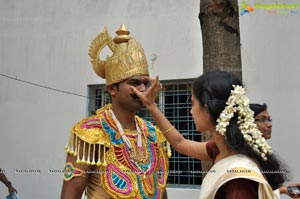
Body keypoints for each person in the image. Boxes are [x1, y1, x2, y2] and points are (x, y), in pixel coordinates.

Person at [131, 71, 287, 199]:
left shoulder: (237, 178)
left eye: (193, 104)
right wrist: (151, 106)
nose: (191, 111)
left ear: (206, 108)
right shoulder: (222, 149)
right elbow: (180, 143)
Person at [60, 24, 170, 199]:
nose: (142, 89)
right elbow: (70, 196)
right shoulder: (90, 134)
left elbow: (161, 192)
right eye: (134, 83)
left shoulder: (153, 134)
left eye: (145, 83)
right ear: (112, 89)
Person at [250, 103, 300, 198]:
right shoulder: (245, 157)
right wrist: (281, 191)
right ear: (247, 123)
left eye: (269, 119)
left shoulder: (261, 151)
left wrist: (284, 189)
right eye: (262, 120)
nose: (269, 124)